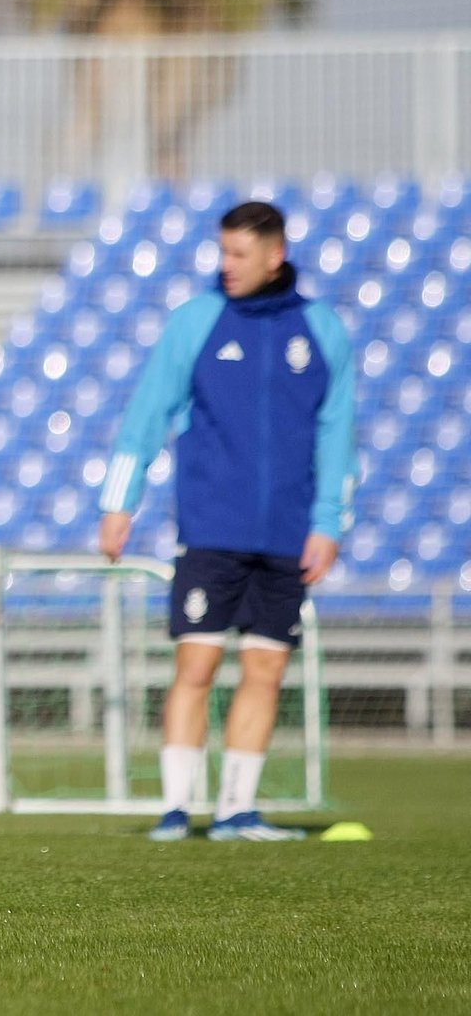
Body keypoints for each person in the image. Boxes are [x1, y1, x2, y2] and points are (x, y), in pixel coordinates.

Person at [97, 201, 355, 842]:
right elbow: (146, 416)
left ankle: (238, 812)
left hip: (287, 537)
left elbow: (337, 435)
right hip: (211, 531)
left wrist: (329, 524)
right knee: (197, 668)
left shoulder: (322, 331)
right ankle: (177, 810)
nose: (227, 266)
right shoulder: (196, 322)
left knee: (264, 672)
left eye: (240, 254)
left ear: (276, 254)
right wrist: (118, 503)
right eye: (223, 252)